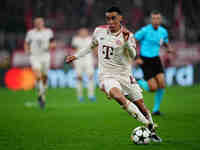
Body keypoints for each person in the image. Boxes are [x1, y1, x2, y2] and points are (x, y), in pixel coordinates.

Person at [66, 7, 162, 142]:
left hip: (124, 75)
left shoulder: (128, 35)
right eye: (108, 18)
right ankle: (147, 124)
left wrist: (127, 43)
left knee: (142, 107)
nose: (110, 22)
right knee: (118, 96)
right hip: (107, 75)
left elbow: (133, 55)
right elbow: (90, 46)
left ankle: (151, 132)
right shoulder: (99, 31)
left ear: (120, 19)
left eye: (113, 18)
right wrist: (76, 56)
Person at [134, 10, 173, 115]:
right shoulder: (144, 31)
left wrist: (169, 48)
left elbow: (165, 41)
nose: (156, 20)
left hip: (156, 59)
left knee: (162, 84)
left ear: (161, 20)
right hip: (145, 60)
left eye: (158, 18)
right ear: (151, 20)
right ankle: (139, 82)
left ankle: (156, 110)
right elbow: (132, 40)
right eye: (154, 18)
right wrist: (136, 57)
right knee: (153, 88)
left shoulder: (163, 31)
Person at [24, 17, 56, 109]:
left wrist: (52, 46)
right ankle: (42, 98)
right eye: (36, 22)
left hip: (45, 56)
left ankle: (40, 94)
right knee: (38, 76)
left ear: (43, 23)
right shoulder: (30, 33)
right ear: (34, 24)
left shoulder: (48, 32)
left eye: (40, 22)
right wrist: (26, 50)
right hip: (35, 56)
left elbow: (53, 43)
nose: (38, 24)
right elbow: (26, 43)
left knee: (44, 77)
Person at [71, 28, 96, 102]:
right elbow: (73, 50)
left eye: (84, 32)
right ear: (79, 33)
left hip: (88, 60)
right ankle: (80, 96)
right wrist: (72, 60)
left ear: (87, 32)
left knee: (90, 77)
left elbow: (94, 49)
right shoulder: (75, 39)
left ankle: (91, 95)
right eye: (81, 32)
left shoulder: (90, 39)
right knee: (79, 78)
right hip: (78, 60)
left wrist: (96, 58)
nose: (83, 33)